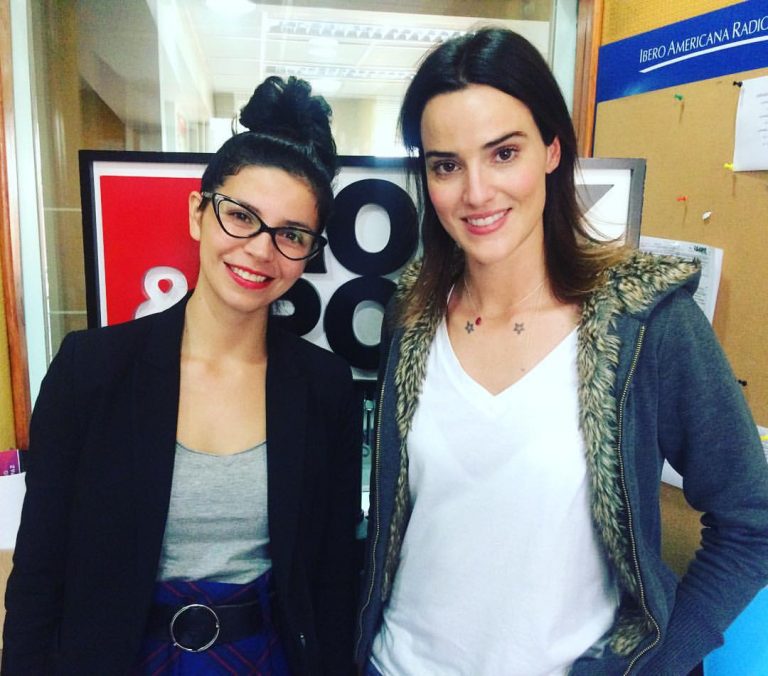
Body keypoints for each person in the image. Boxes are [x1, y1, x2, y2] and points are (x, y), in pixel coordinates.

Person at [355, 27, 768, 676]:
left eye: (503, 153)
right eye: (446, 165)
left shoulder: (647, 324)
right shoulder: (411, 318)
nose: (476, 192)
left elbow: (751, 521)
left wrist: (656, 661)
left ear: (552, 148)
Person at [3, 76, 360, 675]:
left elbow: (332, 578)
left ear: (309, 251)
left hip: (264, 658)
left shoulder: (324, 387)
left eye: (291, 235)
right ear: (199, 212)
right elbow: (39, 570)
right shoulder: (91, 370)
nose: (261, 250)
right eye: (241, 216)